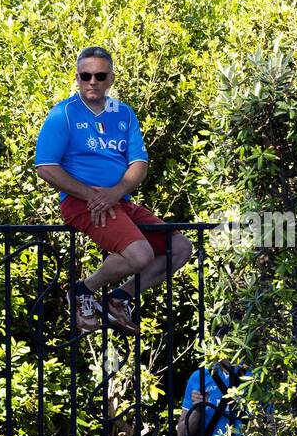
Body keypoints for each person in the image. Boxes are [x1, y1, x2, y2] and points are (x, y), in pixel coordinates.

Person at [35, 46, 192, 336]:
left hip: (119, 201)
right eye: (85, 75)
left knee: (180, 248)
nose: (92, 81)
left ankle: (119, 299)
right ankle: (83, 290)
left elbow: (139, 164)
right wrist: (92, 195)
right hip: (82, 203)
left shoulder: (123, 113)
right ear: (78, 78)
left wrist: (116, 192)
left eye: (99, 75)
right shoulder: (63, 114)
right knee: (140, 254)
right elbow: (45, 166)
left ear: (110, 79)